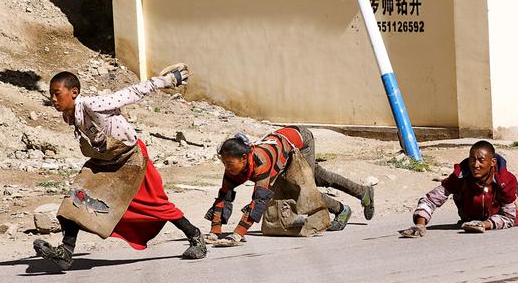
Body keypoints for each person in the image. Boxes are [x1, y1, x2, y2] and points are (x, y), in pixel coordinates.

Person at [33, 64, 207, 270]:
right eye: (51, 94)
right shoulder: (70, 115)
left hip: (132, 158)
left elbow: (131, 92)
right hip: (105, 161)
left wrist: (167, 81)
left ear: (74, 92)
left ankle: (195, 235)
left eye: (56, 93)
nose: (53, 99)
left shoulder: (92, 104)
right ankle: (65, 252)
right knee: (76, 198)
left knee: (155, 203)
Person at [206, 126, 375, 246]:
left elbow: (259, 201)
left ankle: (341, 209)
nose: (226, 167)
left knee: (304, 190)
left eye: (229, 163)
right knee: (318, 176)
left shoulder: (261, 163)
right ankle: (363, 192)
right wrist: (215, 232)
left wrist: (237, 235)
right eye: (224, 163)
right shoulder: (233, 166)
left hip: (302, 141)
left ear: (244, 158)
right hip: (284, 144)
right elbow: (223, 197)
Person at [399, 140, 518, 237]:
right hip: (474, 214)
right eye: (472, 160)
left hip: (495, 210)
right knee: (508, 199)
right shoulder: (459, 177)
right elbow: (431, 200)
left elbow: (508, 218)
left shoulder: (504, 180)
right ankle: (515, 192)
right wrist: (420, 225)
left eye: (481, 160)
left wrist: (485, 225)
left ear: (493, 163)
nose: (476, 165)